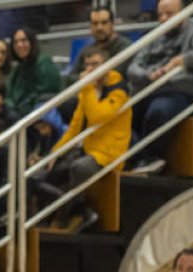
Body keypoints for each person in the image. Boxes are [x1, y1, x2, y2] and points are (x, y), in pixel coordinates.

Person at [125, 0, 193, 174]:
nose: (163, 19)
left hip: (182, 93)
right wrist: (147, 75)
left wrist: (181, 60)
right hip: (150, 89)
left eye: (169, 14)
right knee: (121, 116)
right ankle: (142, 158)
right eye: (160, 15)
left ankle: (149, 157)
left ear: (183, 13)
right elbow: (132, 67)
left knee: (158, 111)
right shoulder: (154, 37)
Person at [50, 46, 132, 187]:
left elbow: (97, 117)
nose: (90, 69)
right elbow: (75, 125)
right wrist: (56, 152)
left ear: (106, 65)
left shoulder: (119, 90)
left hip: (109, 155)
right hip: (89, 149)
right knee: (51, 170)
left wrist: (87, 87)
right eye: (87, 65)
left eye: (95, 64)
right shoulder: (89, 89)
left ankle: (75, 206)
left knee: (79, 168)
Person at [6, 28, 61, 117]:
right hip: (19, 111)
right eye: (15, 42)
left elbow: (46, 91)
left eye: (24, 40)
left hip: (39, 111)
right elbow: (10, 94)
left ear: (32, 43)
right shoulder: (19, 68)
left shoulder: (44, 62)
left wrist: (20, 108)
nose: (19, 45)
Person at [69, 7, 130, 78]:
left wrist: (89, 76)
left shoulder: (125, 47)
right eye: (95, 23)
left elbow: (115, 75)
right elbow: (70, 77)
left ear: (112, 24)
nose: (99, 27)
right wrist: (80, 77)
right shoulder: (87, 50)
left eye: (104, 23)